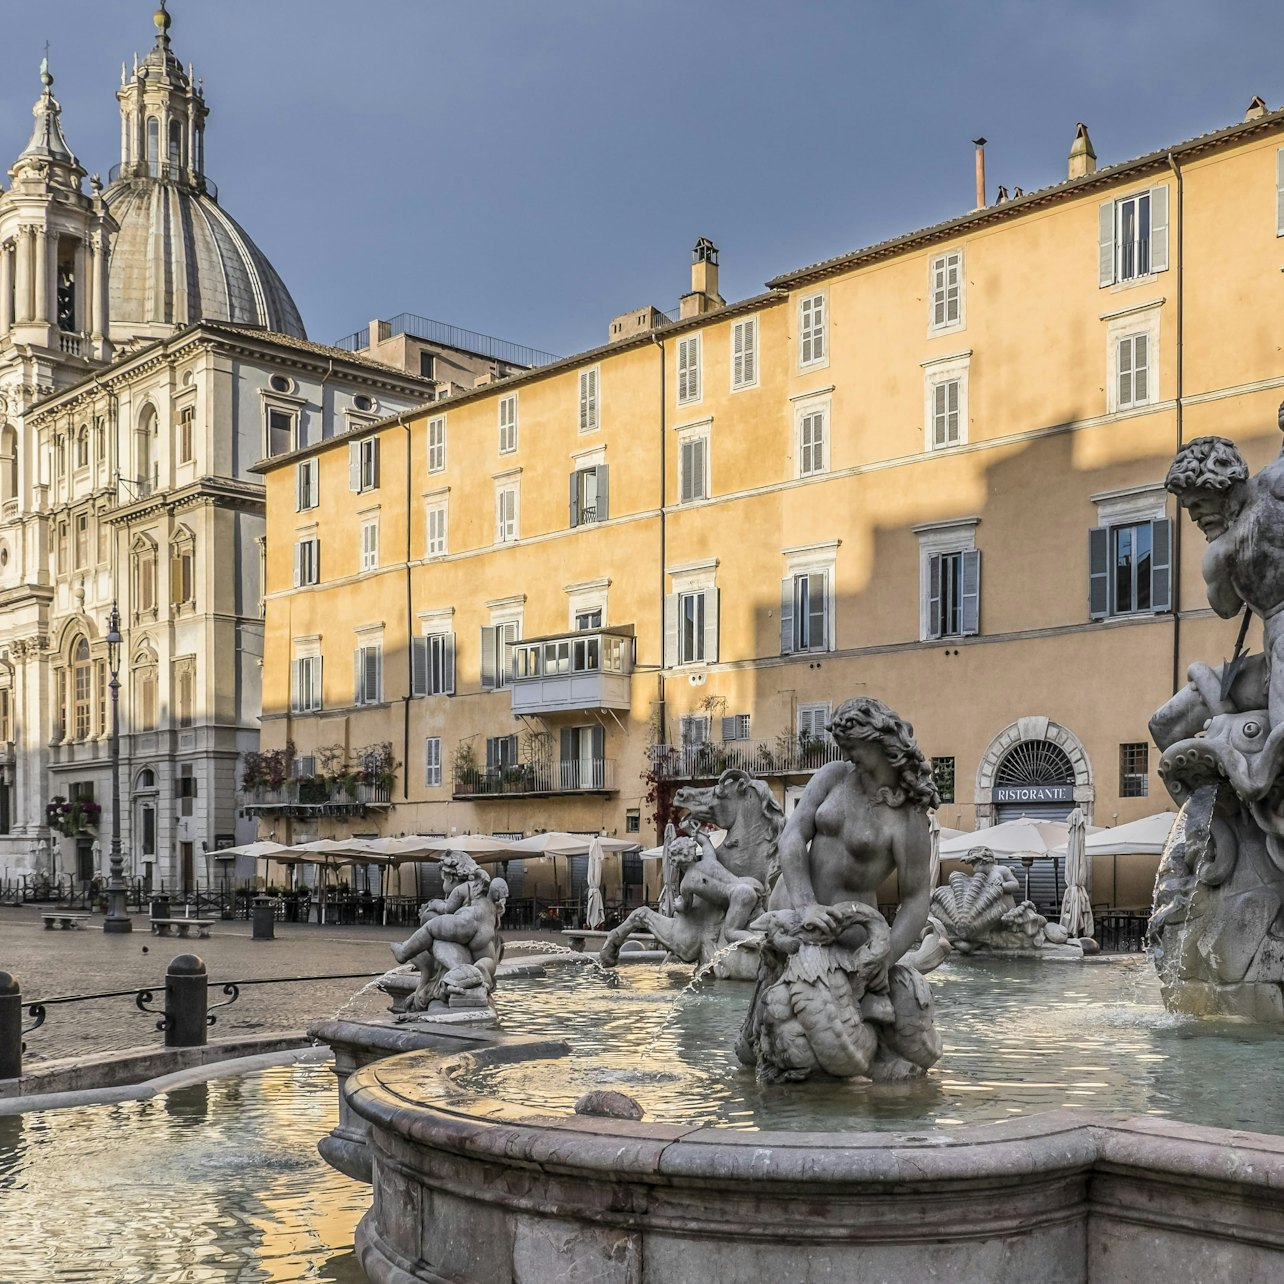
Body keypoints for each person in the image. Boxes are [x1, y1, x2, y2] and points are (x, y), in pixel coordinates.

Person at [773, 695, 938, 971]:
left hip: (845, 937)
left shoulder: (908, 815)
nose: (847, 756)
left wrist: (884, 958)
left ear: (877, 742)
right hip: (789, 914)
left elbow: (916, 898)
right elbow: (792, 837)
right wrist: (806, 905)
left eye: (851, 747)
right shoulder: (833, 775)